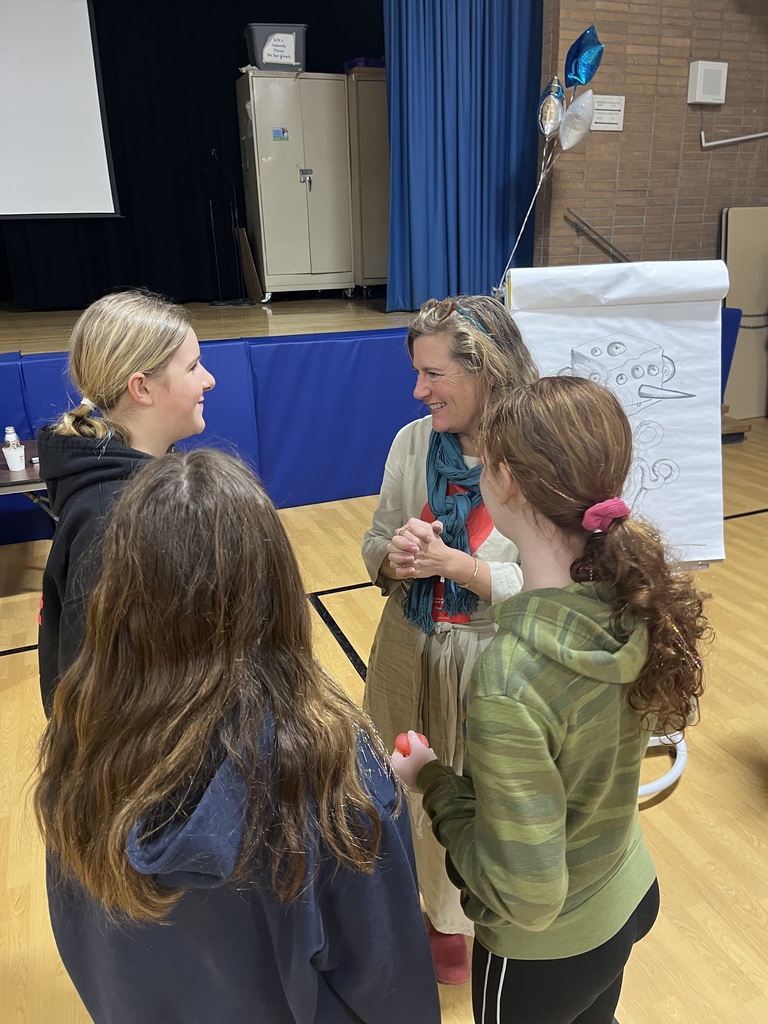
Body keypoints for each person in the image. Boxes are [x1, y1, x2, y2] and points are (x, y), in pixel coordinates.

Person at [34, 449, 441, 1024]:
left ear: (119, 588)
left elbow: (82, 933)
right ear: (274, 585)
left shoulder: (80, 738)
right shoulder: (325, 773)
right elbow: (390, 985)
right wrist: (376, 797)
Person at [391, 375, 711, 1024]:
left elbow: (524, 895)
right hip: (625, 894)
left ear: (504, 482)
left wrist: (435, 783)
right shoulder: (632, 600)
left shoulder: (512, 675)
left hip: (546, 949)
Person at [361, 294, 539, 983]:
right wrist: (394, 559)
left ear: (488, 369)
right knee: (408, 786)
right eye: (416, 372)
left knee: (481, 800)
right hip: (407, 659)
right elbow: (376, 536)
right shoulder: (412, 442)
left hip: (494, 673)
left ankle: (478, 921)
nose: (418, 389)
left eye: (434, 374)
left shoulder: (539, 451)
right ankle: (430, 914)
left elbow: (560, 588)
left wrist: (460, 567)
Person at [37, 288, 215, 715]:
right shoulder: (109, 519)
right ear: (142, 388)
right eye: (192, 366)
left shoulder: (145, 482)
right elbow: (95, 704)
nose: (208, 379)